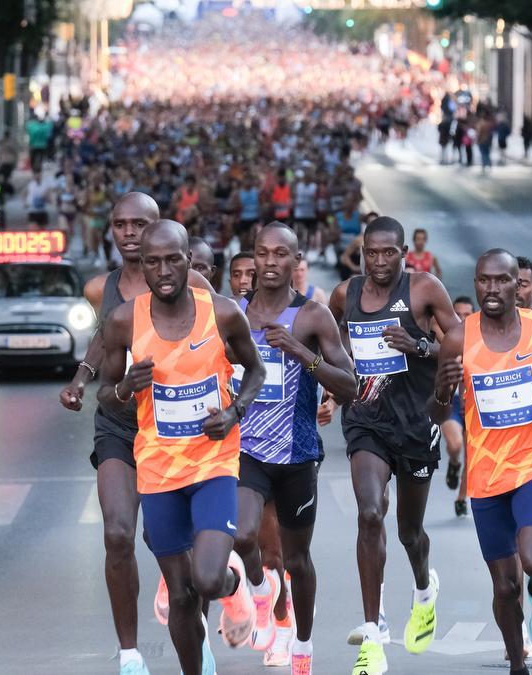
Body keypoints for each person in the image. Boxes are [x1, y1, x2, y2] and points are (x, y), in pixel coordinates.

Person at [97, 220, 266, 675]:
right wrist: (126, 388)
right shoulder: (123, 320)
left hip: (213, 464)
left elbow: (255, 371)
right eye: (153, 262)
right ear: (142, 266)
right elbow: (105, 393)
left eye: (173, 259)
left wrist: (236, 412)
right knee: (181, 595)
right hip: (157, 471)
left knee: (206, 579)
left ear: (189, 260)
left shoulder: (223, 312)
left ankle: (233, 588)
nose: (164, 270)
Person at [56, 195, 214, 675]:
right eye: (120, 224)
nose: (128, 232)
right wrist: (81, 380)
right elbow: (105, 337)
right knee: (117, 533)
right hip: (121, 425)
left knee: (183, 559)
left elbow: (221, 336)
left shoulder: (195, 284)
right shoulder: (98, 288)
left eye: (139, 224)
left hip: (175, 431)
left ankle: (198, 641)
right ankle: (129, 656)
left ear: (159, 227)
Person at [428, 249, 532, 675]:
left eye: (501, 280)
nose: (491, 289)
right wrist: (442, 393)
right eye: (483, 281)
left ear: (516, 284)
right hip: (486, 476)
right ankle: (517, 665)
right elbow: (436, 412)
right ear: (476, 283)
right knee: (505, 585)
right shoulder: (457, 339)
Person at [327, 216, 461, 674]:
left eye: (389, 252)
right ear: (362, 252)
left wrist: (419, 345)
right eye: (372, 252)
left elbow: (460, 345)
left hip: (416, 422)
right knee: (369, 512)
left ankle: (425, 588)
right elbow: (334, 345)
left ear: (404, 253)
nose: (380, 261)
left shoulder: (425, 290)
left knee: (409, 532)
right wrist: (331, 388)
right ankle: (373, 632)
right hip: (366, 420)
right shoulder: (346, 294)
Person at [225, 223, 357, 672]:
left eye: (281, 254)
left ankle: (301, 643)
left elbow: (351, 386)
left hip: (297, 455)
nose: (269, 262)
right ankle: (261, 592)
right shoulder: (232, 314)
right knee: (243, 536)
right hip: (246, 450)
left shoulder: (312, 317)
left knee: (298, 560)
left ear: (296, 261)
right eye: (262, 253)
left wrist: (303, 352)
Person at [441, 295, 475, 516]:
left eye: (467, 314)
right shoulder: (446, 339)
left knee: (472, 456)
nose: (462, 318)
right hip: (450, 402)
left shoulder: (485, 339)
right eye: (458, 314)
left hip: (475, 403)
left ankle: (462, 497)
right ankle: (454, 463)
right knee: (455, 445)